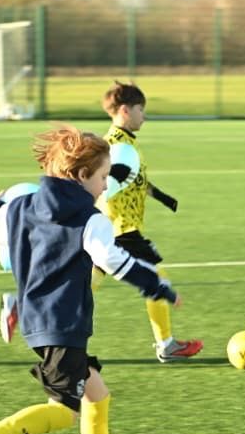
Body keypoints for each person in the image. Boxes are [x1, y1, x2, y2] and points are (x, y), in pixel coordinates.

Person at [0, 125, 181, 434]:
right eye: (101, 178)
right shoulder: (90, 220)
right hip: (63, 326)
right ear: (81, 177)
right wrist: (157, 286)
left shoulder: (19, 209)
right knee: (67, 409)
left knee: (96, 396)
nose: (105, 188)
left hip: (39, 322)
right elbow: (114, 261)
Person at [55, 79, 202, 362]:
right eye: (140, 109)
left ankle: (22, 306)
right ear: (125, 110)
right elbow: (113, 184)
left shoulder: (118, 144)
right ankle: (167, 345)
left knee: (85, 283)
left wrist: (161, 196)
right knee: (157, 279)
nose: (144, 116)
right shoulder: (118, 148)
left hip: (111, 225)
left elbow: (133, 179)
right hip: (120, 227)